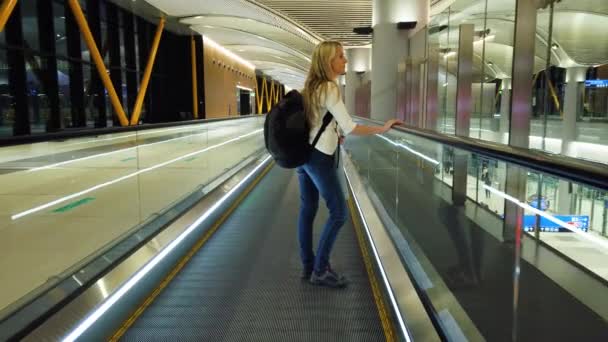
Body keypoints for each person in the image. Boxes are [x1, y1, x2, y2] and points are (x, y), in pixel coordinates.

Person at [298, 41, 402, 288]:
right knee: (339, 213)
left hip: (304, 156)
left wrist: (335, 133)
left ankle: (308, 265)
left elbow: (321, 122)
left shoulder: (310, 88)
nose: (346, 60)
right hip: (320, 158)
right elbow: (351, 126)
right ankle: (320, 270)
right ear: (328, 62)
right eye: (341, 56)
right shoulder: (329, 89)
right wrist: (382, 129)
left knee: (307, 211)